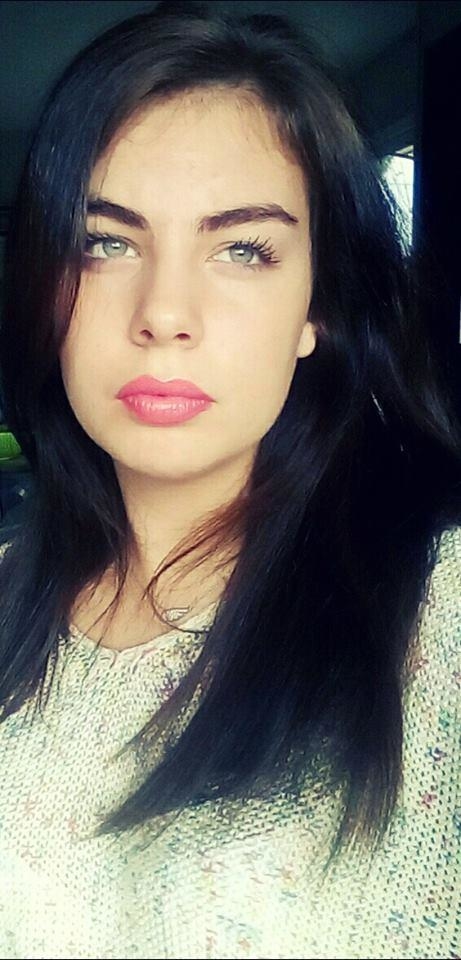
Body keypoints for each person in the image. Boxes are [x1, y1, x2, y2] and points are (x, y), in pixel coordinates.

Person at [0, 2, 460, 958]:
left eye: (242, 248)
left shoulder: (438, 613)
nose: (164, 312)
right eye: (105, 242)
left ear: (316, 308)